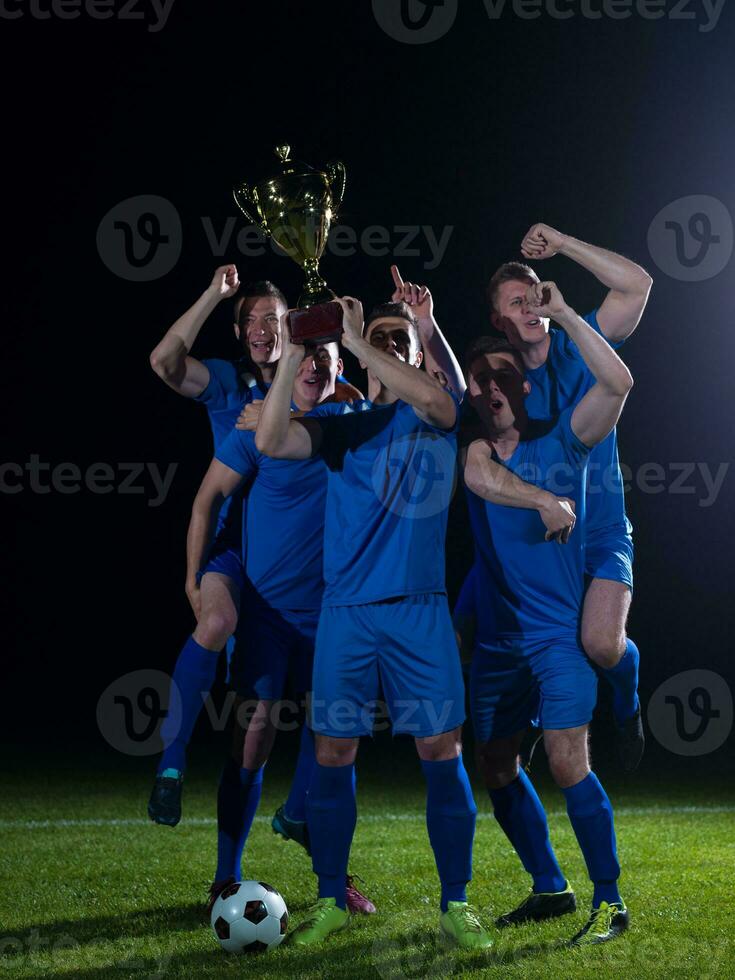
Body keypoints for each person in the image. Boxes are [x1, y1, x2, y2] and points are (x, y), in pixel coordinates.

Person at [255, 295, 493, 950]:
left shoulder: (437, 418)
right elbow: (272, 439)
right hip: (347, 613)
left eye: (397, 341)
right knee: (332, 754)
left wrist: (361, 340)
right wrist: (297, 353)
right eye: (375, 340)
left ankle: (455, 904)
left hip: (419, 610)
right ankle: (330, 897)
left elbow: (442, 401)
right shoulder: (344, 424)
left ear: (416, 355)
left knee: (440, 754)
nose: (385, 347)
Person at [463, 277, 634, 946]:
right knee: (496, 764)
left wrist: (562, 311)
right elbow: (481, 478)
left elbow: (616, 384)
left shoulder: (567, 442)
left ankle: (609, 902)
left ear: (525, 386)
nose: (491, 386)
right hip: (499, 643)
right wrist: (538, 501)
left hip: (558, 636)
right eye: (479, 380)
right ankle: (548, 887)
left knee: (566, 761)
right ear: (472, 395)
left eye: (502, 374)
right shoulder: (473, 454)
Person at [187, 338, 374, 915]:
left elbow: (414, 396)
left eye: (328, 359)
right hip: (267, 614)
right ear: (289, 366)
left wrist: (366, 335)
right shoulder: (254, 428)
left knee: (335, 743)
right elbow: (207, 499)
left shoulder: (355, 422)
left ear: (343, 372)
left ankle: (330, 873)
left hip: (334, 613)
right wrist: (194, 581)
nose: (316, 366)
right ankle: (226, 875)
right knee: (253, 736)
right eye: (305, 356)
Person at [487, 226, 652, 770]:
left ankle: (625, 703)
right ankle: (531, 716)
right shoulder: (500, 381)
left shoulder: (577, 348)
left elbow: (637, 286)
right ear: (500, 321)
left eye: (533, 293)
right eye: (517, 302)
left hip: (599, 533)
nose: (530, 305)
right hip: (537, 541)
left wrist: (563, 245)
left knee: (603, 644)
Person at [147, 266, 284, 825]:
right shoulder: (228, 382)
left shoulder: (316, 382)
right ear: (237, 332)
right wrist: (212, 294)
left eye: (271, 318)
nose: (260, 328)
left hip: (296, 566)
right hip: (233, 552)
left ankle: (299, 825)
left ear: (291, 326)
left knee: (260, 726)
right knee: (213, 622)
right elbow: (164, 364)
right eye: (248, 319)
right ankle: (171, 767)